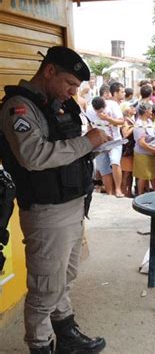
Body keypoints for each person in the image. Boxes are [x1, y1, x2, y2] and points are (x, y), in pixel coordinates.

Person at [0, 46, 109, 353]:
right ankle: (40, 345)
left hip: (72, 204)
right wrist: (85, 143)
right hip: (47, 211)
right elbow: (33, 155)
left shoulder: (54, 103)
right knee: (45, 287)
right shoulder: (19, 107)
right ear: (49, 71)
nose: (72, 92)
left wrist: (90, 148)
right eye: (69, 84)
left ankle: (66, 334)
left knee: (65, 275)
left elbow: (65, 149)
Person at [133, 103, 155, 195]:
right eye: (150, 110)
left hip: (152, 153)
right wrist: (153, 150)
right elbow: (141, 143)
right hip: (143, 154)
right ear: (145, 111)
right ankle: (140, 194)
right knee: (143, 176)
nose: (151, 112)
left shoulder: (149, 122)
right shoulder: (139, 124)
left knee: (153, 175)